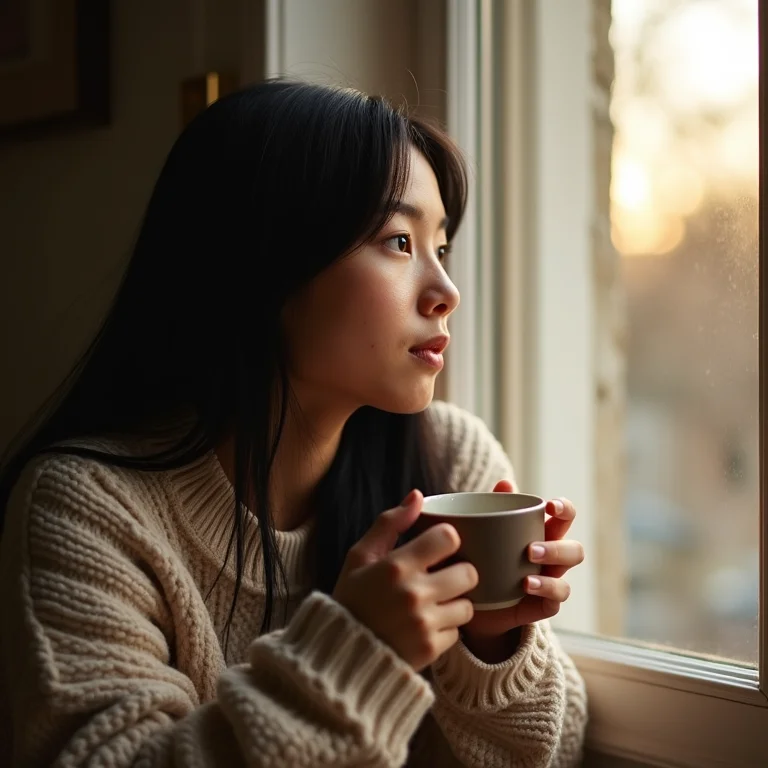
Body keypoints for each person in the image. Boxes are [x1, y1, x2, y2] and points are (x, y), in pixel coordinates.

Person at [0, 80, 587, 767]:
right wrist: (358, 651)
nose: (446, 292)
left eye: (442, 247)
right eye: (400, 241)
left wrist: (489, 645)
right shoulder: (86, 507)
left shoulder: (450, 461)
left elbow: (558, 749)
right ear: (266, 261)